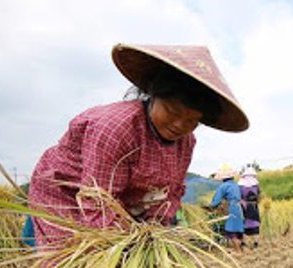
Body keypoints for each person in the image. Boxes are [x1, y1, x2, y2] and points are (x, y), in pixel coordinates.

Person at [27, 44, 249, 248]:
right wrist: (130, 247)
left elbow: (172, 193)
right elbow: (97, 203)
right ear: (153, 94)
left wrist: (155, 232)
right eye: (172, 112)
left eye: (192, 121)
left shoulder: (186, 143)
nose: (180, 125)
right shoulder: (116, 129)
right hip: (68, 196)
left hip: (121, 206)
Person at [208, 164, 243, 252]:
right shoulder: (235, 185)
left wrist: (210, 206)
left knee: (230, 230)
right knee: (238, 228)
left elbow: (216, 201)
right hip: (239, 208)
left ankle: (238, 251)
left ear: (223, 177)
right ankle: (240, 249)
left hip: (231, 208)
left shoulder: (223, 186)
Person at [238, 166, 261, 248]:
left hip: (244, 206)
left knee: (244, 223)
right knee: (255, 223)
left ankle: (243, 242)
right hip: (253, 206)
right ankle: (256, 243)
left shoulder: (241, 185)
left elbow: (239, 197)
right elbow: (259, 197)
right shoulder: (256, 185)